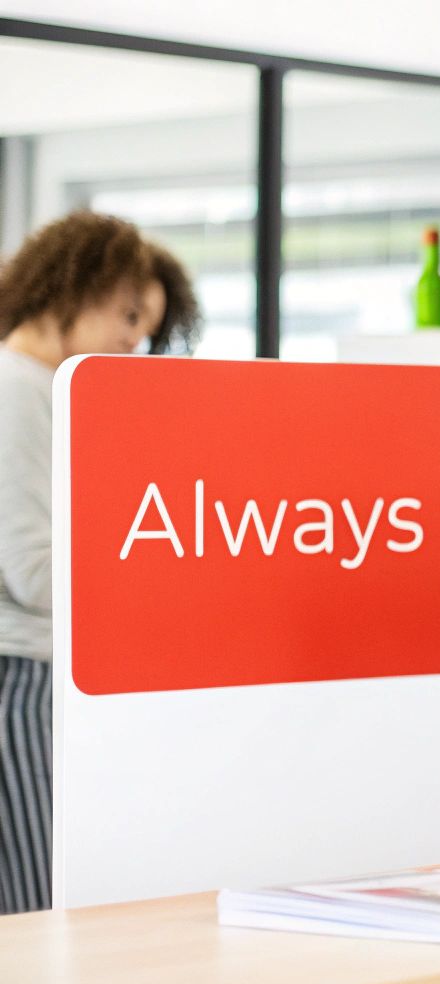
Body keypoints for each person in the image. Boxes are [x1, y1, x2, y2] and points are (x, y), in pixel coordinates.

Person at [0, 211, 199, 914]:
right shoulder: (18, 389)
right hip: (22, 675)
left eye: (147, 328)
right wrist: (149, 580)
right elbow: (33, 570)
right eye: (129, 314)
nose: (134, 339)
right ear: (77, 286)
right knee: (38, 904)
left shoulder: (46, 389)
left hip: (41, 672)